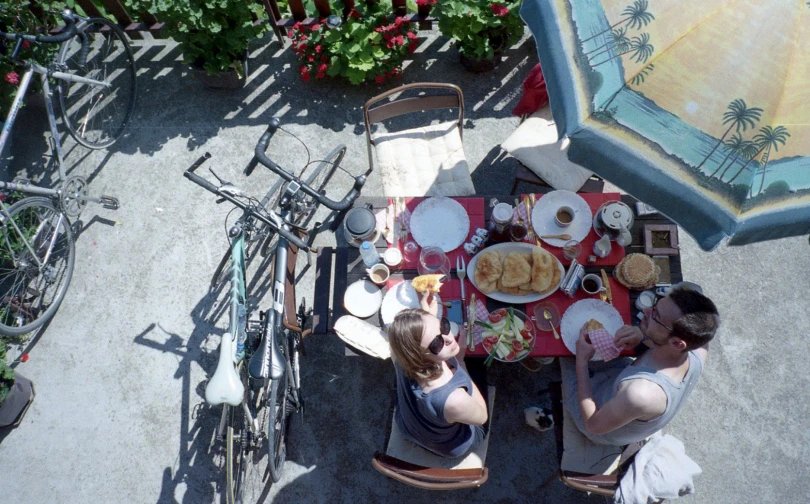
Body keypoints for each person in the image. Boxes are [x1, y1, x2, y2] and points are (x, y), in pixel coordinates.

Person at [558, 286, 720, 446]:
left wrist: (581, 361)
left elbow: (593, 425)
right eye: (655, 305)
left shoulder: (640, 394)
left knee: (563, 349)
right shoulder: (699, 348)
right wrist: (642, 336)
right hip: (619, 392)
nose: (646, 311)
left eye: (656, 316)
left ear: (677, 343)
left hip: (599, 421)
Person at [387, 291, 489, 458]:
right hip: (451, 445)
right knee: (478, 365)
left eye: (443, 325)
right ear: (419, 355)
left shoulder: (399, 352)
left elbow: (413, 339)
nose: (449, 338)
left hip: (408, 425)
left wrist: (426, 319)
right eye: (436, 343)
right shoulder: (455, 399)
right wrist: (461, 362)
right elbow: (482, 417)